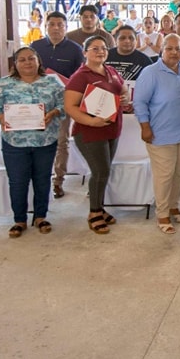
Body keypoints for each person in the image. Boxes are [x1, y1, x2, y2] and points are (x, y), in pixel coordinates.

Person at [0, 46, 65, 237]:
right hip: (15, 142)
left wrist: (53, 112)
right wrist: (1, 118)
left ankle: (40, 216)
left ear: (38, 61)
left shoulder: (52, 82)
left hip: (45, 141)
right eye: (22, 60)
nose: (27, 62)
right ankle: (19, 220)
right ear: (15, 63)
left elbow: (64, 104)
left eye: (31, 58)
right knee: (18, 181)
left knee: (42, 179)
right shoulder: (4, 84)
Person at [64, 36, 127, 235]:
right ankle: (94, 213)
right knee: (99, 171)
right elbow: (70, 106)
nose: (100, 52)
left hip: (111, 129)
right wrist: (91, 121)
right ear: (85, 52)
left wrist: (124, 97)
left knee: (104, 171)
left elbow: (122, 90)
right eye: (95, 48)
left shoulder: (111, 70)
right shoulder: (80, 76)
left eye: (103, 48)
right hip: (90, 131)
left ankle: (100, 206)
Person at [30, 11, 84, 198]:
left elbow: (80, 77)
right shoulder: (35, 47)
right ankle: (38, 180)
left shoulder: (75, 49)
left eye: (60, 25)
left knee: (61, 142)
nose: (55, 28)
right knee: (38, 142)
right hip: (37, 103)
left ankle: (58, 180)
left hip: (63, 103)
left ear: (65, 27)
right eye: (51, 24)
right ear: (45, 27)